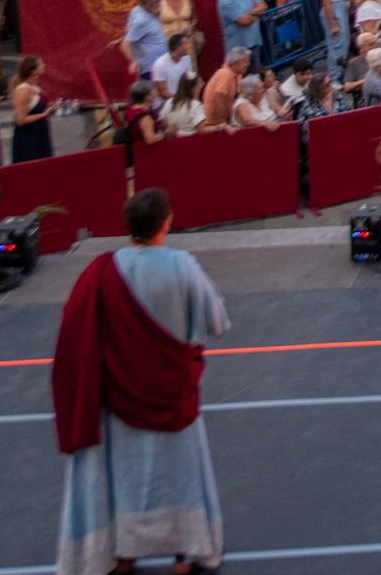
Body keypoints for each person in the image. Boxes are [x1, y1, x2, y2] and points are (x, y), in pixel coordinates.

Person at [52, 187, 228, 575]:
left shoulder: (101, 272)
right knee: (179, 473)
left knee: (128, 476)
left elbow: (76, 331)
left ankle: (125, 554)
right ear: (167, 223)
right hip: (174, 394)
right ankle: (185, 554)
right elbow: (216, 322)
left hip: (120, 396)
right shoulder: (183, 265)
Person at [9, 54, 55, 163]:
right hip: (29, 138)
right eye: (40, 64)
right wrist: (43, 115)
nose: (43, 65)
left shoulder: (35, 87)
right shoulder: (22, 91)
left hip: (40, 133)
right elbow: (21, 120)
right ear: (33, 71)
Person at [121, 0, 168, 81]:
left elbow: (131, 33)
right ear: (148, 3)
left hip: (158, 65)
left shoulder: (137, 10)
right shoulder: (141, 21)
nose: (160, 4)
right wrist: (134, 62)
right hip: (151, 68)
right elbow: (125, 46)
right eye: (157, 1)